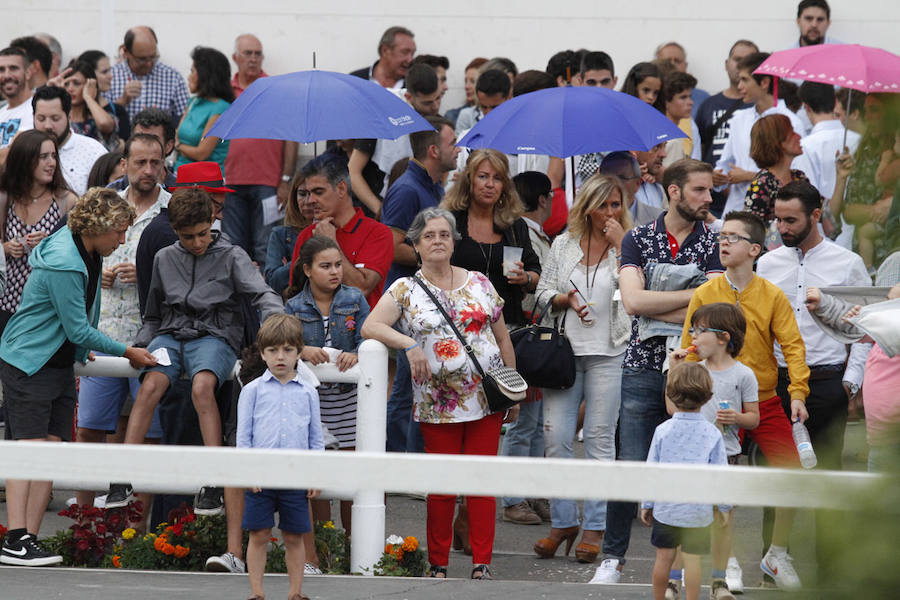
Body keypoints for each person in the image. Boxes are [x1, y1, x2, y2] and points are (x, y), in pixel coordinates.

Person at [0, 188, 157, 567]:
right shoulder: (66, 260)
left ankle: (28, 540)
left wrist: (83, 348)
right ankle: (15, 539)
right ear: (99, 226)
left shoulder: (86, 250)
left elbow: (83, 317)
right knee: (31, 450)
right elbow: (77, 329)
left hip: (55, 364)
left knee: (50, 451)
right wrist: (126, 351)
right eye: (118, 232)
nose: (122, 240)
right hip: (28, 363)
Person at [361, 207, 518, 580]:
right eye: (429, 235)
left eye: (443, 235)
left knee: (482, 483)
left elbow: (502, 336)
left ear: (453, 241)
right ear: (415, 244)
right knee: (443, 487)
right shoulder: (404, 289)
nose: (437, 241)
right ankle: (439, 564)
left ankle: (482, 562)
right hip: (439, 404)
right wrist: (408, 345)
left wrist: (512, 387)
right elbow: (371, 325)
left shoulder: (479, 281)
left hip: (485, 399)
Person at [105, 186, 284, 513]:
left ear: (213, 220)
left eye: (203, 234)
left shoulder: (232, 255)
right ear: (174, 231)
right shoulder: (164, 258)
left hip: (215, 334)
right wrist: (142, 344)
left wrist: (277, 325)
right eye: (188, 237)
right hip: (170, 334)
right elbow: (153, 314)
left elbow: (263, 294)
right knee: (150, 387)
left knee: (203, 387)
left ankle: (213, 479)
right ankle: (122, 475)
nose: (198, 242)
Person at [590, 159, 723, 585]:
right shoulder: (637, 238)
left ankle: (687, 565)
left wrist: (659, 298)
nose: (708, 198)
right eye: (700, 190)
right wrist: (693, 295)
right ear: (674, 191)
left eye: (710, 191)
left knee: (693, 466)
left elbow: (713, 311)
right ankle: (612, 558)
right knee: (629, 460)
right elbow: (631, 303)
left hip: (696, 371)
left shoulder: (717, 241)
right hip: (643, 366)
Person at [681, 210, 809, 591]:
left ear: (755, 249)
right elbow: (691, 347)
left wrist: (798, 393)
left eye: (734, 237)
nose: (724, 242)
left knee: (792, 476)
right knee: (724, 486)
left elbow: (793, 347)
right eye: (722, 235)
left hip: (765, 400)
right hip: (715, 402)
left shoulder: (771, 295)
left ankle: (777, 554)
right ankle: (728, 559)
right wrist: (689, 395)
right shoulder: (705, 292)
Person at [757, 180, 871, 575]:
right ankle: (773, 562)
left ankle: (831, 569)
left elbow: (863, 328)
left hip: (827, 382)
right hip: (777, 382)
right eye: (778, 220)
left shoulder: (847, 262)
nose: (782, 228)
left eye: (791, 220)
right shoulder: (768, 264)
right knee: (775, 476)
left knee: (828, 476)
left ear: (816, 216)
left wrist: (850, 382)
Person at [531, 174, 632, 559]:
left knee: (598, 439)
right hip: (565, 354)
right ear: (587, 207)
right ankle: (562, 521)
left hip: (611, 351)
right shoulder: (564, 243)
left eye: (616, 204)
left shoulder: (629, 244)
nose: (610, 212)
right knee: (555, 438)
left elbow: (639, 290)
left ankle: (594, 526)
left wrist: (624, 247)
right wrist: (563, 298)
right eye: (603, 205)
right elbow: (540, 292)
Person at [74, 133, 171, 514]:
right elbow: (80, 260)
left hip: (149, 336)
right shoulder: (103, 205)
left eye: (155, 163)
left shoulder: (172, 210)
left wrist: (146, 273)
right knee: (89, 429)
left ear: (164, 164)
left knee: (149, 436)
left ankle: (136, 530)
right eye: (140, 162)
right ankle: (81, 521)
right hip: (104, 334)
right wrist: (103, 276)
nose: (148, 170)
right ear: (125, 163)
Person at [669, 303, 759, 598]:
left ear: (722, 337)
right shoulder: (693, 371)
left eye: (699, 330)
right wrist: (675, 370)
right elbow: (673, 409)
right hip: (692, 457)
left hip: (728, 456)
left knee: (723, 521)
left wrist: (736, 418)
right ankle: (675, 578)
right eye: (692, 329)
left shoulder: (743, 375)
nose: (692, 336)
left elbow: (754, 418)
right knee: (686, 520)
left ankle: (719, 581)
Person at [381, 116, 459, 454]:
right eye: (452, 143)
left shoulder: (434, 184)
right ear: (432, 150)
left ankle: (413, 457)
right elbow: (393, 246)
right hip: (406, 296)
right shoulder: (406, 189)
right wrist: (435, 257)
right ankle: (399, 461)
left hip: (427, 292)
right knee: (405, 384)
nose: (458, 150)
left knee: (419, 379)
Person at [284, 235, 369, 535]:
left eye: (338, 265)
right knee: (317, 477)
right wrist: (301, 349)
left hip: (348, 402)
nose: (335, 271)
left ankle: (351, 544)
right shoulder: (293, 306)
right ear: (307, 270)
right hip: (313, 404)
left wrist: (357, 353)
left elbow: (368, 338)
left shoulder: (355, 299)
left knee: (349, 476)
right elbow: (279, 344)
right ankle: (323, 545)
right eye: (325, 266)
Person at [237, 313, 323, 600]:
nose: (280, 357)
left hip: (295, 475)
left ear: (299, 351)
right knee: (259, 534)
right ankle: (257, 593)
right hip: (260, 477)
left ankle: (295, 592)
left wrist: (315, 474)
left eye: (288, 349)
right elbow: (243, 438)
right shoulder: (251, 391)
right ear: (262, 353)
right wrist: (248, 473)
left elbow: (315, 439)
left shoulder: (309, 392)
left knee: (293, 536)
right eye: (273, 350)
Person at [640, 362, 731, 600]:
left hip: (667, 507)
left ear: (669, 394)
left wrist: (647, 503)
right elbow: (720, 474)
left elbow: (652, 470)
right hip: (698, 510)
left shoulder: (662, 430)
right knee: (693, 562)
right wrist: (723, 507)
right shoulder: (713, 433)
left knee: (663, 559)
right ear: (708, 397)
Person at [805, 282, 900, 473]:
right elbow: (852, 328)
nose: (883, 310)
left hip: (894, 440)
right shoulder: (882, 337)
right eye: (886, 301)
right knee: (878, 500)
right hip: (879, 440)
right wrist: (853, 316)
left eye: (891, 305)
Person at [442, 149, 541, 328]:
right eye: (483, 176)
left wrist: (524, 277)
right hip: (457, 323)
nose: (490, 184)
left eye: (497, 178)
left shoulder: (514, 226)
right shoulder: (450, 221)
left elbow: (536, 273)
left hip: (507, 322)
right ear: (469, 180)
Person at [224, 33, 299, 265]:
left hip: (268, 185)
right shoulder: (225, 92)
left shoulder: (275, 90)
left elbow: (291, 137)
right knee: (232, 248)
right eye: (248, 53)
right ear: (235, 57)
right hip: (231, 183)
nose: (253, 59)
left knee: (265, 249)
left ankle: (266, 300)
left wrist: (286, 180)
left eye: (258, 54)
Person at [288, 154, 394, 311]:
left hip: (363, 332)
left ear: (341, 189)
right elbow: (295, 295)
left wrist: (330, 243)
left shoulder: (378, 233)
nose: (310, 201)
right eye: (308, 193)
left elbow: (361, 289)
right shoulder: (307, 235)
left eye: (318, 192)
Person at [0, 129, 77, 333]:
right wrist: (6, 248)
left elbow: (78, 255)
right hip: (5, 304)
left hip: (44, 310)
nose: (51, 162)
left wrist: (49, 244)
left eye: (53, 156)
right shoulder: (5, 198)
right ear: (25, 159)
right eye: (43, 157)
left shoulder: (66, 202)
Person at [714, 52, 805, 218]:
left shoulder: (791, 122)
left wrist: (748, 176)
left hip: (775, 213)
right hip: (737, 209)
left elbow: (797, 174)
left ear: (764, 82)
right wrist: (717, 177)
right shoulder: (739, 118)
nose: (739, 85)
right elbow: (725, 164)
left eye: (745, 79)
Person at [349, 63, 442, 218]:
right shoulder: (382, 112)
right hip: (382, 206)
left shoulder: (437, 121)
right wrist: (379, 209)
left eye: (438, 98)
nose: (435, 107)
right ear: (408, 97)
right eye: (427, 103)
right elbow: (353, 171)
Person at [791, 81, 861, 245]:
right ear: (834, 101)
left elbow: (806, 195)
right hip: (855, 231)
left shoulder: (805, 146)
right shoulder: (859, 139)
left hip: (822, 235)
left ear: (806, 107)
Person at [696, 40, 758, 180]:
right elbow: (701, 148)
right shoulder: (708, 104)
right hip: (713, 191)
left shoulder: (759, 107)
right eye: (737, 59)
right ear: (726, 64)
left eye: (748, 61)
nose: (741, 65)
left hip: (751, 187)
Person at [32, 85, 107, 196]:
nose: (47, 125)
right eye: (41, 119)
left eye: (55, 119)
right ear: (33, 117)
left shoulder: (93, 151)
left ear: (69, 116)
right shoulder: (23, 150)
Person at [744, 114, 808, 240]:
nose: (799, 136)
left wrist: (841, 177)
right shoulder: (762, 184)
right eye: (792, 133)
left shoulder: (799, 177)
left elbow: (824, 215)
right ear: (778, 142)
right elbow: (752, 232)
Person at [108, 26, 190, 122]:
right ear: (126, 52)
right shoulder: (110, 77)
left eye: (153, 57)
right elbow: (100, 119)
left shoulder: (172, 77)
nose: (149, 63)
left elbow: (186, 119)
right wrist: (122, 101)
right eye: (142, 59)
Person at [173, 46, 233, 175]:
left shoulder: (221, 108)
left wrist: (178, 146)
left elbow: (202, 153)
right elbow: (177, 134)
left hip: (206, 180)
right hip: (180, 174)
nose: (189, 77)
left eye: (192, 71)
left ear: (205, 74)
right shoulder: (193, 102)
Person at [264, 172, 313, 295]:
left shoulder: (333, 230)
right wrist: (306, 255)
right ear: (293, 197)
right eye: (302, 194)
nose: (308, 201)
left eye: (314, 193)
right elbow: (273, 282)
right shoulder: (280, 235)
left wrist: (287, 267)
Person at [109, 107, 177, 192]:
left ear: (168, 146)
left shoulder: (181, 191)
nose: (144, 145)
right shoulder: (113, 192)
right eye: (139, 137)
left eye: (153, 139)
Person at [77, 50, 131, 151]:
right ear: (89, 75)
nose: (111, 76)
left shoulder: (117, 111)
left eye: (109, 71)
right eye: (104, 72)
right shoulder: (71, 110)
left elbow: (127, 149)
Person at [61, 60, 116, 144]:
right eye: (66, 84)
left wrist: (88, 97)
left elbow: (105, 124)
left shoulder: (98, 117)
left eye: (76, 83)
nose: (70, 89)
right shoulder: (57, 118)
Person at [598, 152, 660, 226]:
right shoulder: (589, 219)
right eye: (608, 179)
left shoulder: (659, 220)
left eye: (621, 178)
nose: (613, 184)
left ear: (637, 183)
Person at [654, 41, 709, 118]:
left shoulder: (702, 98)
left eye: (677, 61)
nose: (673, 64)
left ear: (685, 65)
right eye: (667, 61)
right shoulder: (650, 96)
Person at [350, 26, 416, 89]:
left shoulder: (415, 85)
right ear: (385, 50)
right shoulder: (355, 80)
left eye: (412, 54)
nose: (410, 60)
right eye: (405, 52)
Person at [662, 72, 701, 166]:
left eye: (690, 97)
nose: (690, 102)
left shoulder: (688, 127)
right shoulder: (669, 138)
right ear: (666, 102)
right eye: (683, 97)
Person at [0, 47, 35, 152]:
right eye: (1, 70)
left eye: (13, 68)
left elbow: (16, 154)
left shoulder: (37, 108)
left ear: (28, 73)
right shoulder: (1, 112)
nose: (7, 75)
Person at [444, 57, 487, 126]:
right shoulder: (452, 116)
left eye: (472, 81)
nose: (466, 86)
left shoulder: (495, 115)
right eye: (465, 81)